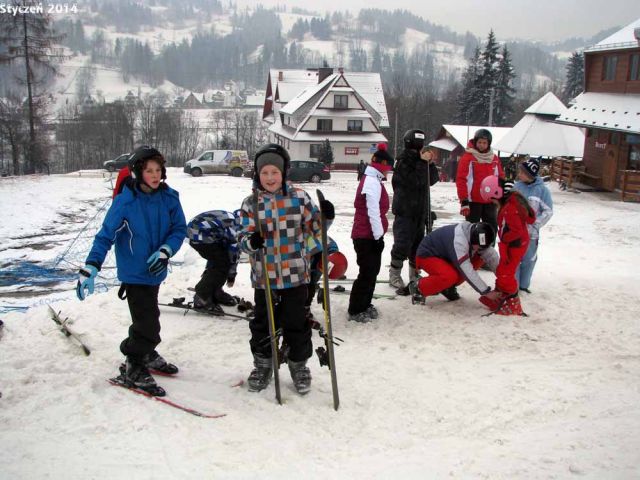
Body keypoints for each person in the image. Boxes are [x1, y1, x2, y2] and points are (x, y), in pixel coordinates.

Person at [76, 145, 187, 396]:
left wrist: (166, 250)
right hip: (134, 273)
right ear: (137, 172)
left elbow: (179, 229)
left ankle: (144, 351)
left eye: (158, 170)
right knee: (148, 324)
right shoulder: (125, 202)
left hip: (156, 270)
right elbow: (105, 236)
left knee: (148, 317)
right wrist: (92, 265)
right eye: (149, 170)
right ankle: (134, 362)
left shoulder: (169, 198)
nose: (155, 175)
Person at [237, 143, 334, 395]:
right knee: (262, 324)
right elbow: (242, 238)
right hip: (265, 276)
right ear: (257, 174)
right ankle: (263, 365)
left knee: (296, 323)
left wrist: (326, 218)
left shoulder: (300, 198)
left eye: (274, 172)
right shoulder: (251, 203)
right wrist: (251, 242)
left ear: (284, 173)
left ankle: (298, 365)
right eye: (264, 172)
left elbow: (316, 231)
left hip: (296, 275)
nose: (270, 178)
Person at [388, 130, 439, 291]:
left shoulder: (421, 161)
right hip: (405, 210)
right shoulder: (403, 161)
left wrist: (430, 163)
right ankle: (394, 274)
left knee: (418, 245)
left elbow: (432, 179)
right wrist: (423, 163)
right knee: (402, 244)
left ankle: (414, 274)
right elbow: (414, 181)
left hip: (420, 210)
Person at [477, 177, 535, 315]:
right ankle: (500, 295)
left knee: (506, 273)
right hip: (510, 245)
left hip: (514, 246)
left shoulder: (510, 209)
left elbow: (516, 231)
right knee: (502, 269)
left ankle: (513, 301)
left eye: (492, 199)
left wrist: (504, 238)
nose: (492, 202)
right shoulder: (508, 205)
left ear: (497, 194)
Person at [348, 142, 392, 322]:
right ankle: (356, 309)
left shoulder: (373, 179)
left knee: (372, 271)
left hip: (369, 235)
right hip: (366, 236)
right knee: (367, 273)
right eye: (388, 169)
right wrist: (377, 237)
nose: (388, 172)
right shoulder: (371, 182)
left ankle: (365, 304)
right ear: (382, 166)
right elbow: (372, 211)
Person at [410, 222, 499, 304]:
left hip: (446, 257)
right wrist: (486, 291)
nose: (481, 249)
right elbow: (467, 270)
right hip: (427, 256)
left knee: (480, 258)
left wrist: (504, 280)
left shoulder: (475, 237)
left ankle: (447, 287)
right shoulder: (459, 241)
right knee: (450, 276)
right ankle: (418, 287)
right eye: (479, 247)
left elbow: (492, 257)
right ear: (474, 240)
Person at [187, 210, 241, 315]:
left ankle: (215, 292)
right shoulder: (237, 228)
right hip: (200, 235)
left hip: (200, 233)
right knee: (222, 264)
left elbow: (218, 253)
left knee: (220, 261)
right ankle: (202, 297)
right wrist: (231, 275)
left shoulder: (232, 219)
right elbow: (233, 253)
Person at [514, 157, 554, 293]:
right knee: (514, 258)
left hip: (531, 234)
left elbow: (548, 211)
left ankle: (523, 285)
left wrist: (535, 223)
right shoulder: (517, 187)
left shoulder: (542, 191)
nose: (519, 174)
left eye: (522, 172)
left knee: (529, 259)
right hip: (515, 231)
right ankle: (514, 286)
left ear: (530, 174)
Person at [456, 129, 505, 234]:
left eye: (484, 143)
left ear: (489, 144)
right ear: (475, 142)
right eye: (479, 142)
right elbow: (461, 179)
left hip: (490, 201)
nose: (482, 145)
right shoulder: (468, 158)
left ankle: (490, 245)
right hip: (473, 201)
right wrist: (464, 200)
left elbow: (500, 178)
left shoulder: (494, 159)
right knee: (472, 231)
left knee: (492, 229)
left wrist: (501, 196)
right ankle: (472, 245)